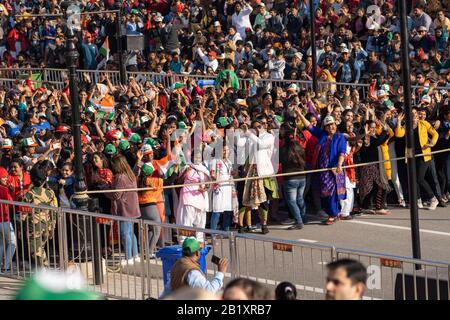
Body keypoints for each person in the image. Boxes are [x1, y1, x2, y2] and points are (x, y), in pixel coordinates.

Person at [297, 112, 347, 225]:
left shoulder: (340, 137)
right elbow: (309, 126)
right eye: (328, 125)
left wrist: (339, 164)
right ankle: (333, 212)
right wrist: (299, 114)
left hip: (335, 169)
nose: (331, 127)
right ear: (325, 127)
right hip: (323, 170)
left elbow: (342, 152)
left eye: (332, 124)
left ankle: (333, 214)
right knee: (325, 193)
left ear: (336, 124)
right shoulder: (322, 135)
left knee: (333, 193)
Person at [161, 237, 228, 298]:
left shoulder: (177, 264)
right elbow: (209, 291)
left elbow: (168, 289)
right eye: (200, 250)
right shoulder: (191, 272)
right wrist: (220, 272)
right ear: (197, 253)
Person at [104, 155, 141, 265]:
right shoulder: (130, 175)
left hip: (124, 209)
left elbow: (116, 195)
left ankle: (128, 257)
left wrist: (105, 190)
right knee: (130, 232)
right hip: (132, 207)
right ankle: (135, 255)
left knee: (124, 233)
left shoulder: (120, 177)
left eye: (114, 164)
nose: (113, 166)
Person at [20, 165, 58, 268]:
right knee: (40, 249)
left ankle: (43, 273)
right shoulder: (50, 193)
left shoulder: (29, 194)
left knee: (35, 252)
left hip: (34, 227)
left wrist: (20, 229)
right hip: (46, 225)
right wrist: (52, 228)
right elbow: (54, 212)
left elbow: (23, 214)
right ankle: (45, 270)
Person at [0, 166, 15, 273]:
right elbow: (10, 203)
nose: (6, 179)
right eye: (3, 177)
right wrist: (12, 191)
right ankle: (7, 265)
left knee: (1, 243)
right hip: (4, 220)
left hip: (2, 221)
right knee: (12, 242)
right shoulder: (3, 189)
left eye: (6, 177)